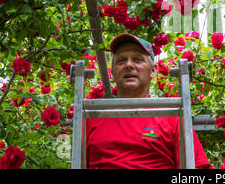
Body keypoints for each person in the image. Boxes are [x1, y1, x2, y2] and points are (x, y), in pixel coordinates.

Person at [85, 33, 211, 169]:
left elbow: (198, 167)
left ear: (153, 70)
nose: (128, 65)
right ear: (113, 73)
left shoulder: (173, 118)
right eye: (121, 61)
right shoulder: (92, 119)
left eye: (137, 60)